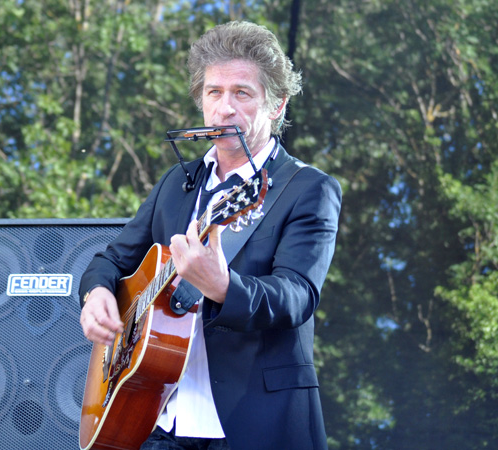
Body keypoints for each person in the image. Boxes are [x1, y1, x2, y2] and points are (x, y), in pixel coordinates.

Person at [79, 21, 341, 450]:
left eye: (242, 93)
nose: (224, 109)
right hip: (158, 417)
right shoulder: (175, 182)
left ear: (277, 105)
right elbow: (110, 262)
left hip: (254, 424)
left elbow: (298, 295)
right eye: (213, 92)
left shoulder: (308, 188)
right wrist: (96, 296)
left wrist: (222, 286)